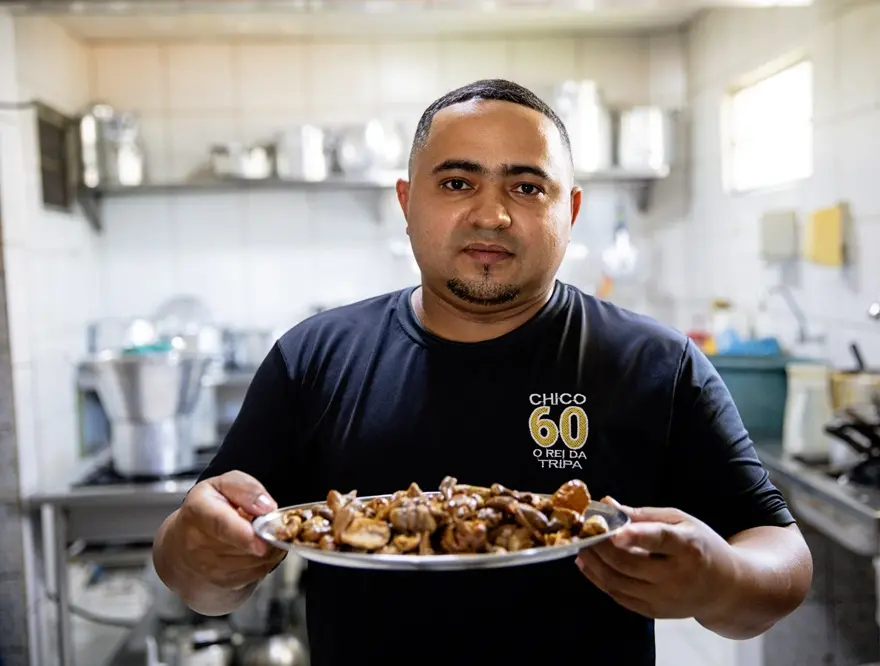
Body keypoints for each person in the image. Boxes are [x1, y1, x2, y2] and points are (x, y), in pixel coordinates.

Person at [152, 78, 812, 665]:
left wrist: (721, 580)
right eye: (458, 182)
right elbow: (203, 585)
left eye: (526, 186)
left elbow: (781, 556)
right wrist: (194, 548)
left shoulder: (655, 364)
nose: (492, 213)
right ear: (407, 203)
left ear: (570, 211)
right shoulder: (315, 357)